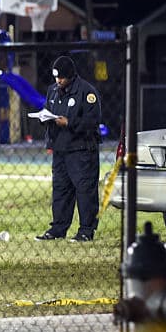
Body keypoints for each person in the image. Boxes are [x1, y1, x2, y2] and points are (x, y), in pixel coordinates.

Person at [36, 55, 102, 242]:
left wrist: (69, 123)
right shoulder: (53, 91)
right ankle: (58, 228)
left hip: (81, 150)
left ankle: (86, 230)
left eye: (62, 78)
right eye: (56, 77)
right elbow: (48, 110)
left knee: (84, 190)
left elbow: (92, 121)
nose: (58, 81)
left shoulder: (87, 92)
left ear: (71, 75)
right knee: (60, 190)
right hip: (60, 149)